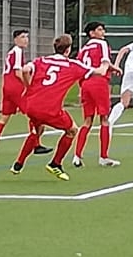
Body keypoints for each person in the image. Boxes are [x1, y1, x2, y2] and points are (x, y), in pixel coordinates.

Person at [12, 36, 111, 179]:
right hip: (50, 109)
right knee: (72, 130)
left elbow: (25, 70)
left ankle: (18, 164)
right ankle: (55, 164)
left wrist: (29, 87)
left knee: (37, 130)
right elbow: (100, 72)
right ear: (68, 50)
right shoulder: (72, 65)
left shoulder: (42, 60)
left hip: (32, 106)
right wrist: (106, 62)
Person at [0, 29, 46, 155]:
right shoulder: (18, 51)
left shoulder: (11, 52)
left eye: (26, 37)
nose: (26, 39)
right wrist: (28, 86)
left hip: (7, 86)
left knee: (4, 118)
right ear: (15, 39)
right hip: (15, 87)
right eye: (22, 37)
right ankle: (36, 145)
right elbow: (18, 73)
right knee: (33, 114)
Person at [72, 22, 120, 168]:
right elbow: (104, 63)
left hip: (85, 84)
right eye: (99, 29)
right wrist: (114, 68)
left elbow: (80, 67)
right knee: (104, 119)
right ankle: (103, 157)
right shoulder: (102, 44)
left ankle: (77, 156)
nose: (103, 32)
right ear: (92, 33)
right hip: (99, 82)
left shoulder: (83, 49)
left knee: (87, 120)